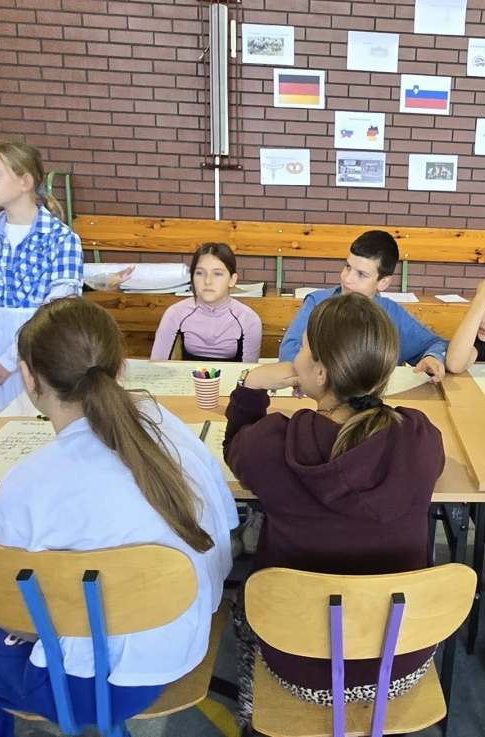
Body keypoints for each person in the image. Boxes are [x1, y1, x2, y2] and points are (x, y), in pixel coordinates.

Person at [0, 298, 236, 737]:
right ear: (121, 368)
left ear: (28, 377)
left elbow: (8, 613)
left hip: (94, 684)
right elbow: (225, 529)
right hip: (181, 645)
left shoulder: (27, 483)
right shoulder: (166, 424)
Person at [224, 293, 444, 724]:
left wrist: (251, 385)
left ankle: (251, 712)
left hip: (297, 665)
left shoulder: (271, 445)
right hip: (399, 662)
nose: (296, 356)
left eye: (303, 347)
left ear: (321, 372)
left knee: (242, 605)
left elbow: (234, 448)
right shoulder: (418, 438)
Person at [0, 141, 97, 424]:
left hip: (39, 345)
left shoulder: (61, 238)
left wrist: (7, 362)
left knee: (36, 422)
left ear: (25, 181)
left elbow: (54, 310)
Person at [277, 230, 447, 381]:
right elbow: (288, 351)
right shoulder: (317, 302)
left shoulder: (393, 314)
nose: (347, 279)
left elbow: (435, 344)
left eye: (361, 274)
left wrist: (432, 357)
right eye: (347, 267)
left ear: (383, 282)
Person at [149, 242, 262, 362]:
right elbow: (157, 364)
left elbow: (250, 370)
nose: (207, 281)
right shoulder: (175, 313)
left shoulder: (249, 319)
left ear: (232, 280)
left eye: (217, 274)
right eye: (200, 273)